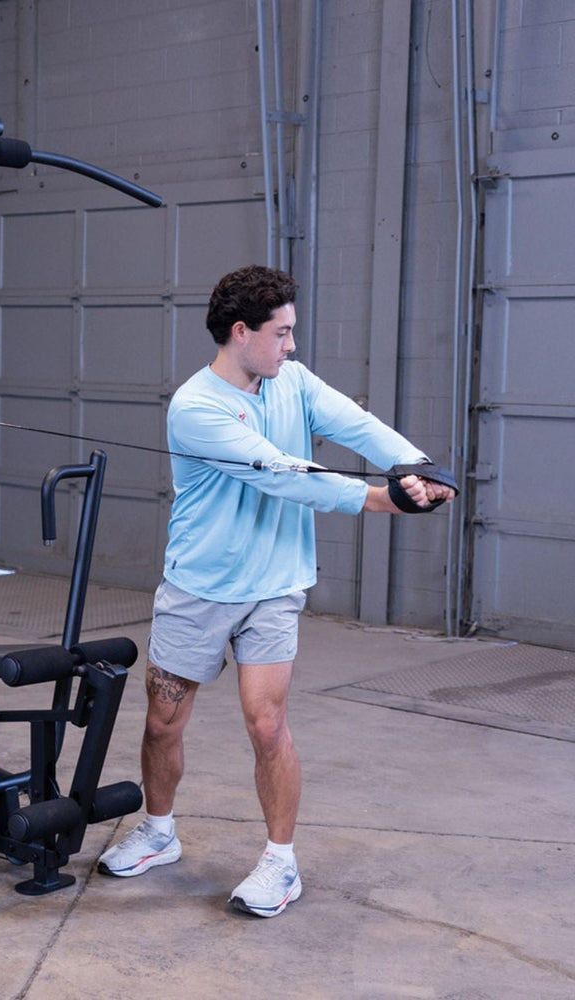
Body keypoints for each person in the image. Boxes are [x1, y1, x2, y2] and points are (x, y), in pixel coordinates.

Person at [97, 264, 455, 917]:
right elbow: (281, 474)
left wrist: (418, 466)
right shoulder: (196, 406)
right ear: (242, 332)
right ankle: (157, 830)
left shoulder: (293, 381)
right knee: (163, 721)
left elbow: (355, 424)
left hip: (276, 584)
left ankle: (279, 865)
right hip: (200, 585)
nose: (292, 345)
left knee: (268, 722)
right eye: (282, 332)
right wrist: (381, 500)